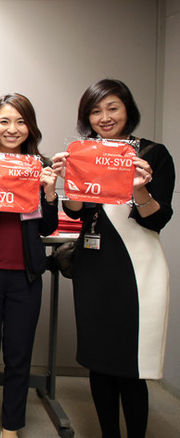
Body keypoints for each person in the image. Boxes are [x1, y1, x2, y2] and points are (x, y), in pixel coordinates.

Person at [52, 79, 175, 438]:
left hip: (136, 269)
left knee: (129, 365)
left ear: (127, 110)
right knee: (99, 361)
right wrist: (65, 181)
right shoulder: (83, 153)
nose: (104, 117)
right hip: (93, 268)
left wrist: (139, 188)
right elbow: (75, 212)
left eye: (112, 108)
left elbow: (158, 218)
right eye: (95, 110)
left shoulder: (153, 154)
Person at [0, 94, 58, 438]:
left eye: (20, 121)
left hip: (26, 275)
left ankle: (13, 425)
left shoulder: (40, 166)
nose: (12, 129)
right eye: (4, 121)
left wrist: (49, 194)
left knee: (19, 356)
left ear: (29, 126)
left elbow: (47, 228)